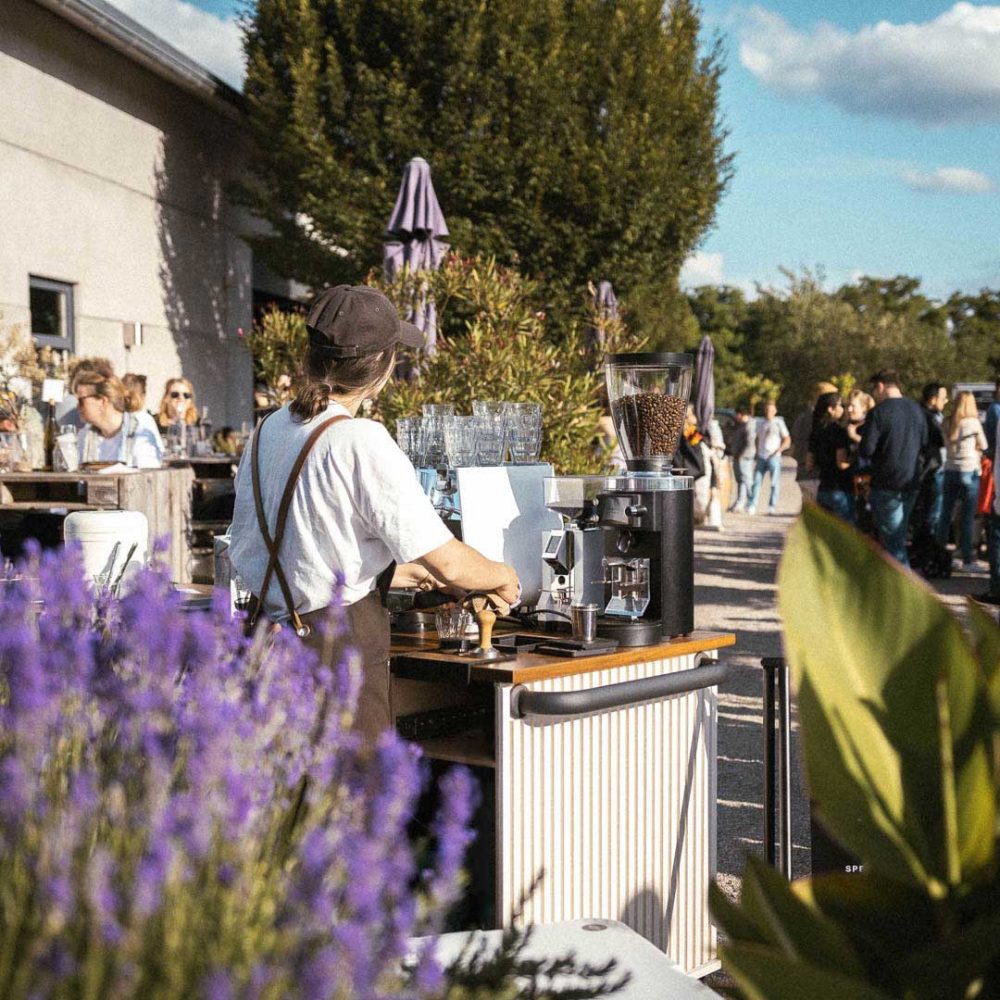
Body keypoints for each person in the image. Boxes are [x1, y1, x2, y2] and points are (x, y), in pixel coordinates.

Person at [229, 285, 520, 745]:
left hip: (267, 643)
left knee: (282, 789)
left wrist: (393, 574)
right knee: (350, 789)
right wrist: (503, 576)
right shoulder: (360, 439)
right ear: (382, 369)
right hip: (336, 657)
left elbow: (294, 547)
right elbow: (447, 559)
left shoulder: (268, 429)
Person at [858, 370, 928, 566]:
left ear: (881, 386)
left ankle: (905, 581)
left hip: (886, 483)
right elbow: (925, 443)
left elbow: (866, 450)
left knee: (893, 543)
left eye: (874, 390)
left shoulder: (878, 412)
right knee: (898, 535)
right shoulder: (917, 410)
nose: (874, 395)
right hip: (911, 481)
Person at [937, 391, 987, 569]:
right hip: (969, 470)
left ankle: (939, 555)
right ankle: (967, 558)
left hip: (950, 470)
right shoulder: (973, 423)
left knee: (945, 515)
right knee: (967, 518)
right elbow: (984, 444)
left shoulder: (946, 422)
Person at [74, 370, 164, 468]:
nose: (77, 407)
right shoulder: (85, 435)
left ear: (103, 401)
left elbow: (148, 472)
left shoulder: (140, 426)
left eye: (81, 401)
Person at [807, 391, 853, 523]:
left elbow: (809, 464)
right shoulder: (839, 431)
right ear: (830, 409)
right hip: (840, 488)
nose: (843, 409)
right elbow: (841, 463)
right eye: (840, 405)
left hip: (823, 488)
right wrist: (854, 463)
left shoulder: (815, 432)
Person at [790, 381, 837, 502]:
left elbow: (794, 446)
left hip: (802, 474)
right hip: (815, 475)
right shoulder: (819, 419)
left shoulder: (801, 418)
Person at [747, 400, 790, 516]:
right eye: (766, 410)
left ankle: (772, 506)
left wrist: (779, 450)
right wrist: (756, 450)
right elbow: (756, 437)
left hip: (773, 456)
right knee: (756, 481)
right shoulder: (760, 422)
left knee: (774, 482)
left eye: (771, 410)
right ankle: (752, 504)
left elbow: (787, 439)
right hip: (761, 456)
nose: (768, 413)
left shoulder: (778, 423)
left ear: (775, 411)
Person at [157, 377, 199, 453]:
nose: (181, 398)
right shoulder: (155, 423)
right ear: (166, 398)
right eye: (175, 394)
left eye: (186, 395)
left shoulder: (198, 424)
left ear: (190, 400)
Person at [727, 405, 756, 513]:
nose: (735, 417)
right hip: (738, 456)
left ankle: (751, 502)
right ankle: (740, 502)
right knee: (741, 480)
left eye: (737, 415)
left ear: (741, 414)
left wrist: (741, 455)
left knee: (747, 480)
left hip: (745, 457)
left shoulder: (749, 425)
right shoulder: (740, 425)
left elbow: (749, 443)